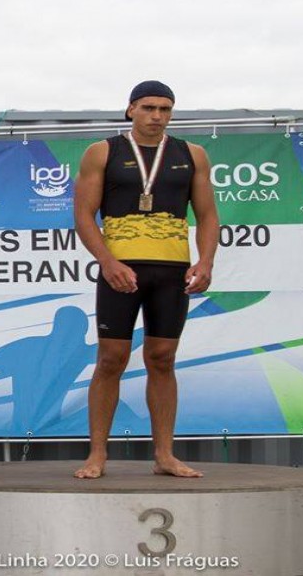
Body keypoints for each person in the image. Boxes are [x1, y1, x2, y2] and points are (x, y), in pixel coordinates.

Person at [72, 80, 219, 478]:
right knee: (111, 359)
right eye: (149, 107)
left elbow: (207, 215)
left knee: (162, 358)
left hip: (171, 271)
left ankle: (165, 456)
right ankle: (97, 455)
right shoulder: (103, 151)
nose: (157, 116)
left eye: (165, 109)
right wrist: (107, 262)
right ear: (131, 110)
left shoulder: (192, 154)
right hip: (121, 271)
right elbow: (83, 214)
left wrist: (205, 262)